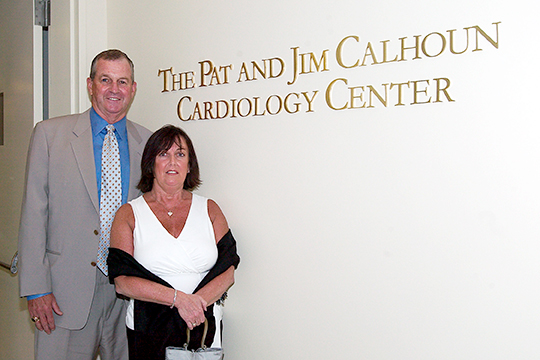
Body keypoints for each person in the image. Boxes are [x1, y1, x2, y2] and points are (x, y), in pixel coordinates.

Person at [17, 49, 152, 360]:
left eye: (122, 81)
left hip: (126, 295)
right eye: (106, 80)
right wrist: (36, 289)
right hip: (62, 294)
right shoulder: (50, 135)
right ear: (90, 85)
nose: (114, 90)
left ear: (133, 89)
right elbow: (33, 215)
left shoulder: (147, 143)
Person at [107, 125, 240, 360]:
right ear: (151, 164)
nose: (172, 162)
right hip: (149, 329)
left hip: (203, 326)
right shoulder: (128, 214)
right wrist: (179, 301)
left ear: (189, 165)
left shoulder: (210, 209)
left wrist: (195, 306)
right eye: (163, 154)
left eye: (180, 154)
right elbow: (123, 282)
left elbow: (228, 270)